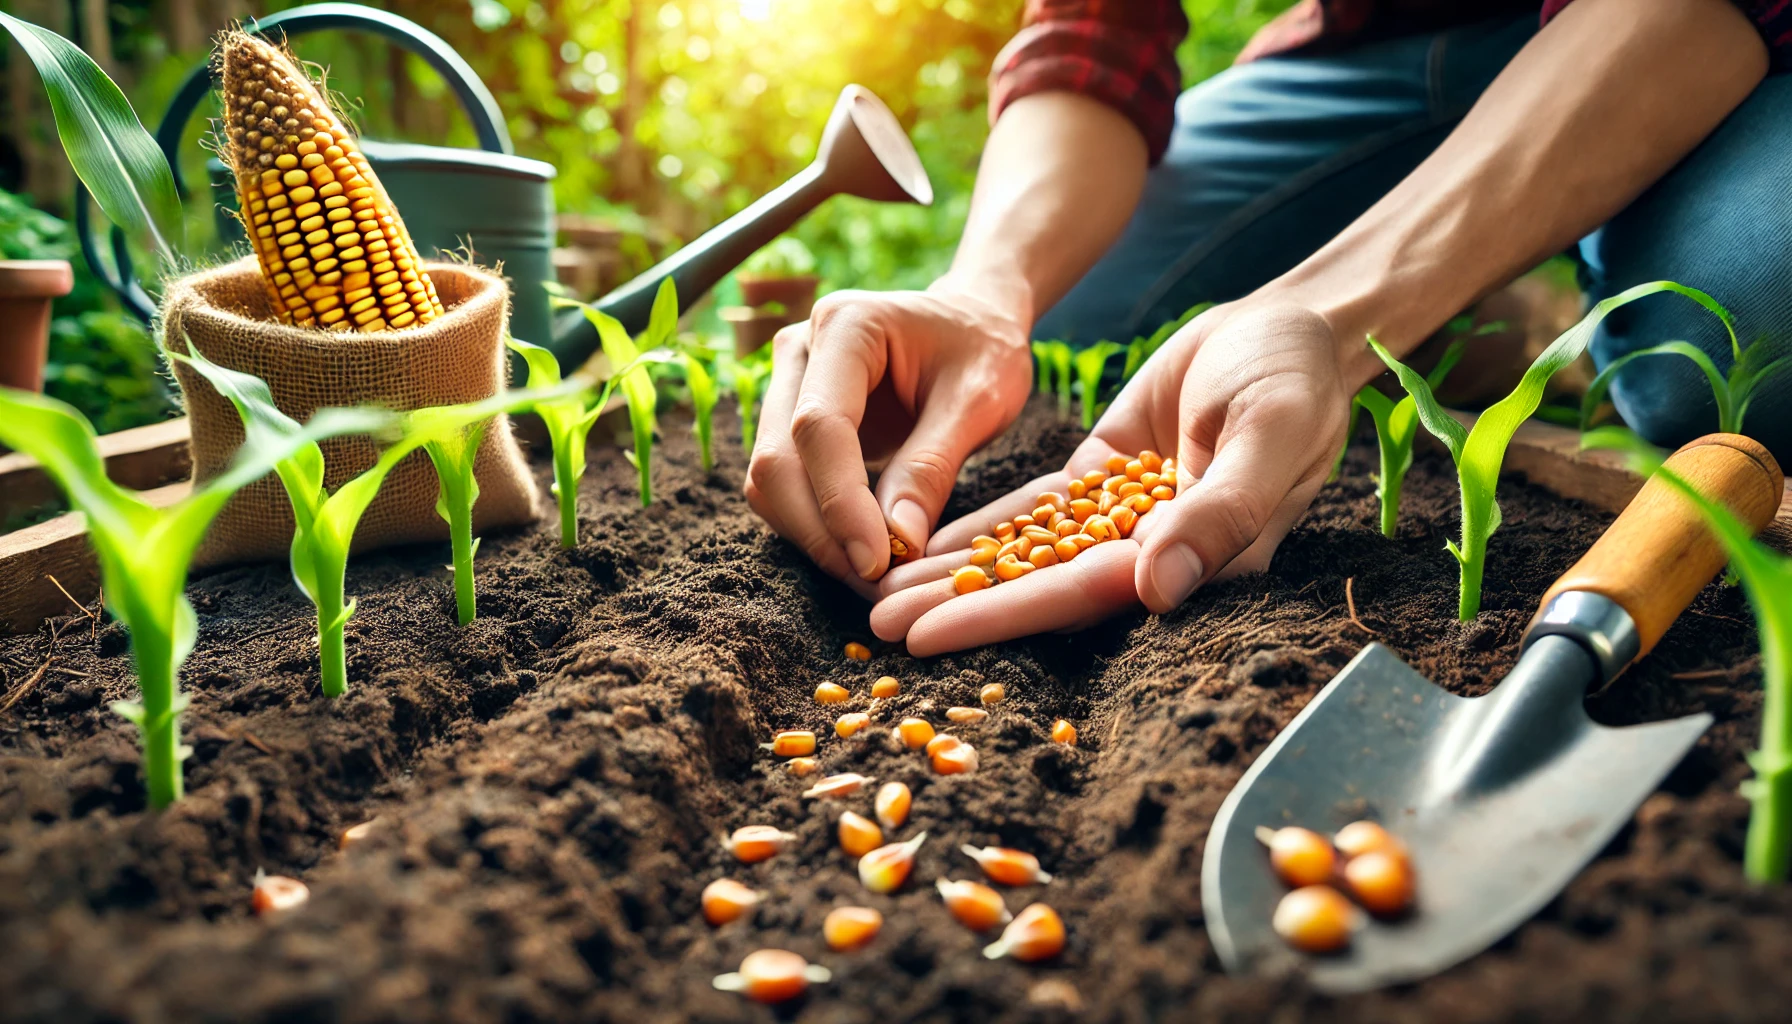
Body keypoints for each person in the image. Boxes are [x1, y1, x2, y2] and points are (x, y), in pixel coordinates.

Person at [743, 0, 1792, 655]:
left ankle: (1480, 277)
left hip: (1698, 27)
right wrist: (982, 294)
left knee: (1743, 351)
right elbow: (1092, 35)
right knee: (1084, 316)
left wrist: (1325, 319)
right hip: (1378, 44)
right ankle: (1470, 297)